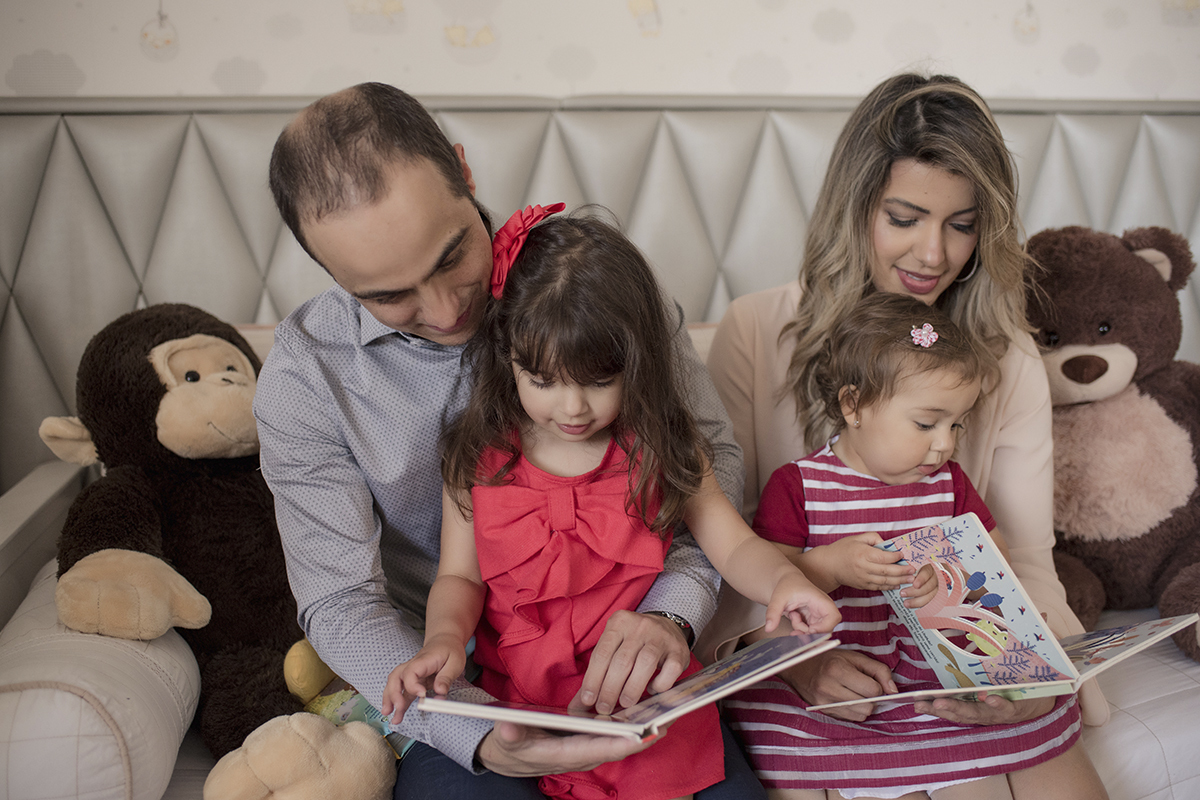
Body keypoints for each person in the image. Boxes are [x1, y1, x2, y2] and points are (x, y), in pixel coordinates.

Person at [256, 83, 757, 798]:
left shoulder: (591, 285)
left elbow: (708, 461)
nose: (445, 311)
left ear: (463, 171)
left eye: (450, 257)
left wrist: (669, 613)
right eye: (390, 296)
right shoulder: (305, 375)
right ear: (326, 269)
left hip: (632, 666)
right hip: (461, 687)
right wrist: (474, 731)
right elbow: (340, 602)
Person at [692, 72, 1108, 798]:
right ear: (855, 208)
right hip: (808, 646)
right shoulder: (755, 331)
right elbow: (730, 550)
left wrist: (1028, 679)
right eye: (905, 217)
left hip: (963, 657)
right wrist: (799, 660)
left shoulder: (1006, 356)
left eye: (962, 225)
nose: (933, 254)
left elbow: (1024, 561)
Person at [382, 207, 841, 800]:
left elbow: (733, 547)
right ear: (507, 355)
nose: (573, 407)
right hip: (519, 707)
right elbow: (459, 577)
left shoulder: (663, 445)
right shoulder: (476, 457)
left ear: (636, 362)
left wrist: (784, 582)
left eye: (599, 381)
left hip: (643, 702)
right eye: (544, 381)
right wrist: (443, 640)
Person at [723, 292, 1106, 798]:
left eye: (956, 424)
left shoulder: (949, 483)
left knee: (1037, 723)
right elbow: (765, 595)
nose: (945, 443)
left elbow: (995, 566)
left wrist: (951, 579)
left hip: (938, 676)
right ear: (853, 405)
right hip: (852, 682)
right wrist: (831, 567)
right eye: (926, 423)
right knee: (785, 736)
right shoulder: (798, 486)